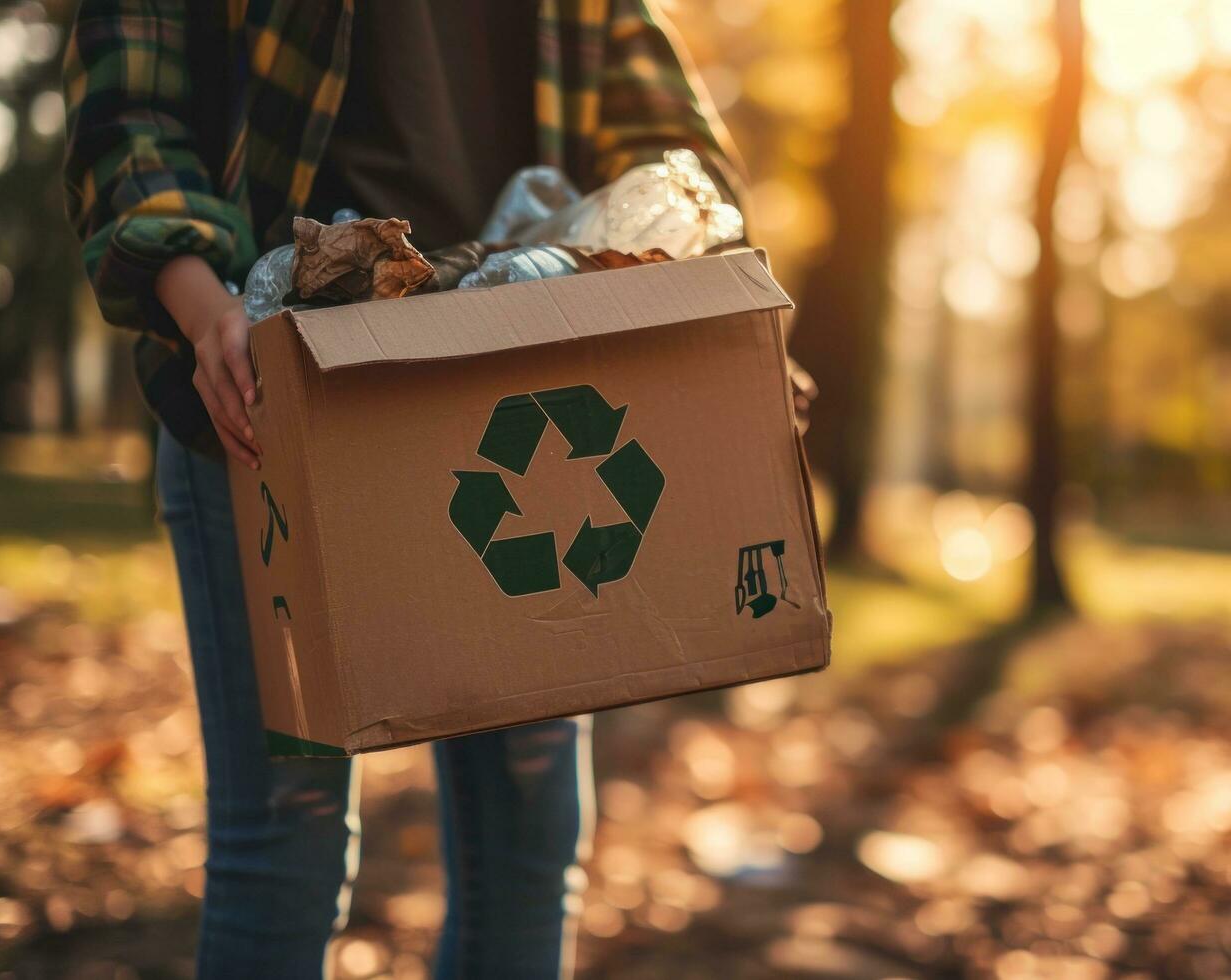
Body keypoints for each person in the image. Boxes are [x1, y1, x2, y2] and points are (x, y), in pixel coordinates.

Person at [62, 3, 769, 976]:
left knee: (527, 836)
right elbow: (127, 109)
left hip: (518, 382)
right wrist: (206, 309)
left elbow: (678, 150)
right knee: (285, 841)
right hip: (271, 396)